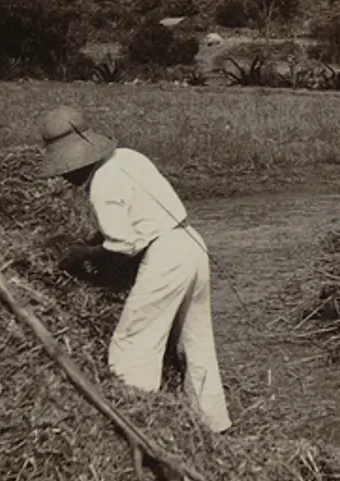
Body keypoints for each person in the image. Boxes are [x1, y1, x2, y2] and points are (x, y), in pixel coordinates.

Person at [38, 106, 232, 434]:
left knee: (134, 343)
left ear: (76, 160)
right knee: (197, 339)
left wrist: (81, 257)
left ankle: (139, 425)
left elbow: (123, 245)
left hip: (167, 255)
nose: (65, 177)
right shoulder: (128, 157)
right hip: (191, 242)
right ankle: (213, 425)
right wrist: (96, 243)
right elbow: (137, 214)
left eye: (65, 169)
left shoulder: (100, 184)